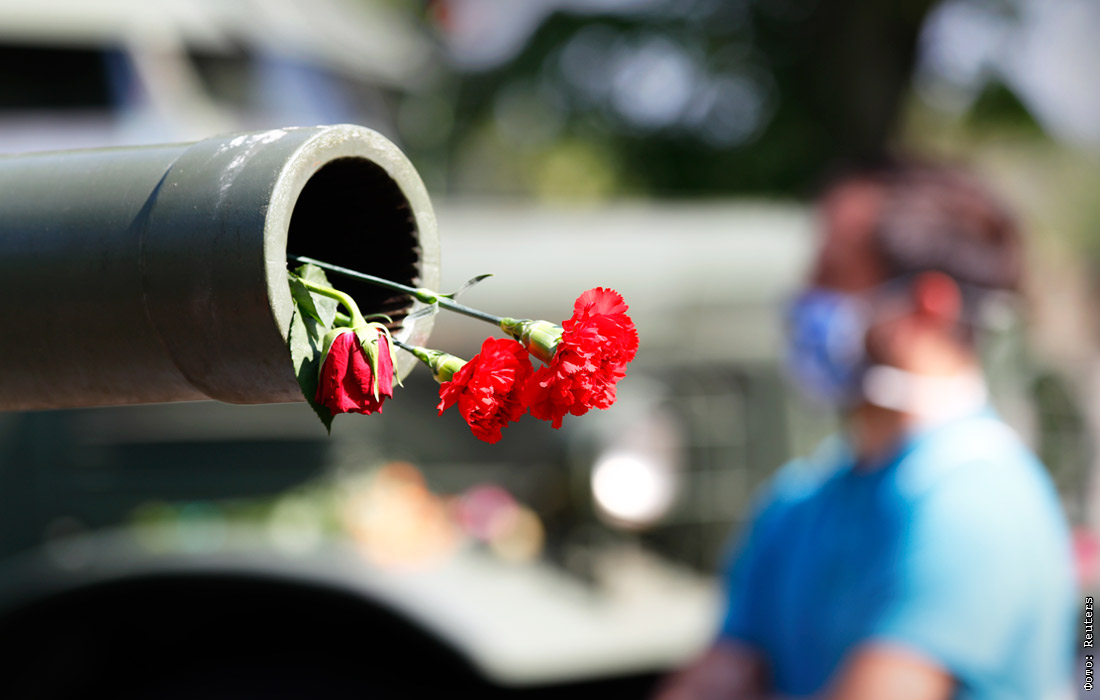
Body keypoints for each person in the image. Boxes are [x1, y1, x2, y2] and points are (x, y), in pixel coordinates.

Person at [654, 162, 1077, 700]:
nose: (803, 299)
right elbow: (718, 679)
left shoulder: (974, 507)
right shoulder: (798, 502)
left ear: (926, 307)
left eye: (831, 275)